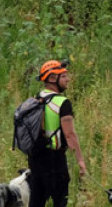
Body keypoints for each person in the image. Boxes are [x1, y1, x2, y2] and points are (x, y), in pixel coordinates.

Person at [27, 59, 88, 207]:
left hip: (35, 158)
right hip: (54, 160)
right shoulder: (62, 102)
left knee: (36, 201)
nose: (68, 79)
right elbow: (70, 135)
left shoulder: (37, 97)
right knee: (60, 201)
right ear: (53, 79)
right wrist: (80, 161)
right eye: (64, 76)